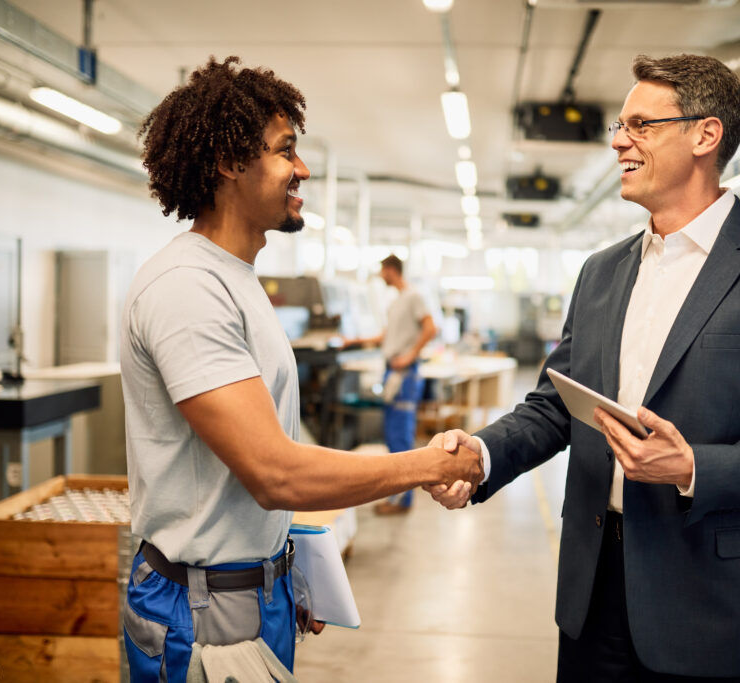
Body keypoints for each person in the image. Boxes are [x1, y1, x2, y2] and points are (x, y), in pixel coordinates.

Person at [429, 53, 740, 682]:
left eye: (641, 125)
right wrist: (481, 454)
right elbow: (558, 404)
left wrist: (693, 467)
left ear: (704, 135)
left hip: (719, 604)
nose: (617, 141)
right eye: (620, 125)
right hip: (595, 592)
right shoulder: (602, 271)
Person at [120, 56, 482, 682]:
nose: (303, 169)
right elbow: (272, 471)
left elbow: (255, 477)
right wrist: (429, 465)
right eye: (287, 151)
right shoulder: (187, 288)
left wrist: (284, 573)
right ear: (231, 163)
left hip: (251, 592)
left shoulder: (236, 281)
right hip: (200, 611)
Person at [343, 254, 438, 514]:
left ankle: (402, 501)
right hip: (392, 372)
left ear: (391, 270)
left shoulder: (413, 296)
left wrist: (409, 355)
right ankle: (398, 498)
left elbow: (431, 328)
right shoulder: (397, 302)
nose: (381, 276)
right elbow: (387, 336)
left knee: (400, 438)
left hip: (404, 374)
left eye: (383, 271)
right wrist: (353, 342)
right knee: (393, 437)